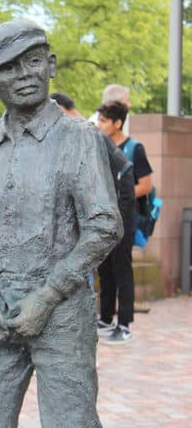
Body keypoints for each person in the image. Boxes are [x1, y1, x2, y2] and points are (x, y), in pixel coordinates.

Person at [0, 20, 122, 427]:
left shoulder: (80, 138)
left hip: (63, 312)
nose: (24, 75)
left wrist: (47, 296)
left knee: (72, 420)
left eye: (33, 61)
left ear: (50, 65)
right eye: (8, 68)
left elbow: (104, 224)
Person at [96, 100, 152, 344]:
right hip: (103, 219)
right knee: (104, 269)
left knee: (122, 270)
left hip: (124, 219)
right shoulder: (100, 146)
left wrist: (118, 194)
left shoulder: (134, 149)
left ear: (118, 123)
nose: (99, 125)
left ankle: (125, 324)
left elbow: (146, 185)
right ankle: (106, 318)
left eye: (104, 121)